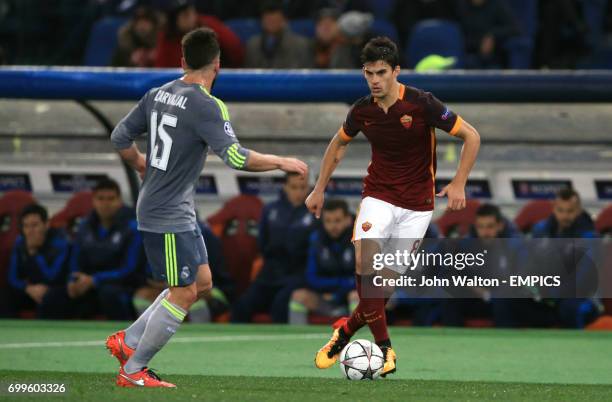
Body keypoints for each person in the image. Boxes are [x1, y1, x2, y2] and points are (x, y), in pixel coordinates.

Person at [107, 27, 307, 388]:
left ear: (182, 61)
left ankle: (128, 341)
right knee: (182, 291)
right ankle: (134, 369)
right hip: (165, 214)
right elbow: (234, 156)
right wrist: (280, 160)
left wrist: (140, 163)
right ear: (217, 64)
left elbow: (119, 136)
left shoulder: (158, 93)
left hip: (174, 209)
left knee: (201, 282)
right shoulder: (206, 104)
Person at [306, 36, 480, 376]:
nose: (374, 80)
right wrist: (319, 188)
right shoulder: (362, 111)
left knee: (381, 288)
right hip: (379, 196)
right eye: (368, 73)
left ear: (396, 71)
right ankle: (386, 350)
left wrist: (459, 182)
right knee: (363, 258)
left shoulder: (422, 104)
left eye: (381, 72)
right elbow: (338, 145)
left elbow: (471, 136)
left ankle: (345, 330)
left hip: (418, 205)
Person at [230, 172, 314, 323]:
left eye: (302, 188)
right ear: (285, 187)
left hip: (297, 274)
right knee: (242, 305)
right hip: (270, 273)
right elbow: (262, 243)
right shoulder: (270, 210)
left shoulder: (314, 212)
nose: (299, 192)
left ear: (308, 188)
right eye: (294, 187)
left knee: (280, 305)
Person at [68, 178, 145, 321]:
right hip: (90, 284)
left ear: (120, 201)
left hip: (124, 285)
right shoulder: (85, 226)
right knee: (60, 295)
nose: (106, 204)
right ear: (93, 201)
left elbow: (130, 269)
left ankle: (123, 337)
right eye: (101, 199)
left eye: (111, 199)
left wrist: (95, 279)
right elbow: (76, 259)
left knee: (109, 293)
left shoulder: (133, 227)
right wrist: (73, 280)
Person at [531, 188, 601, 328]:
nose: (565, 216)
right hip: (546, 294)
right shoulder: (540, 230)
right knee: (508, 299)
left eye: (570, 211)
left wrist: (551, 293)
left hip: (580, 298)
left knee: (570, 306)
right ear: (554, 209)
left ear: (579, 210)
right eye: (561, 210)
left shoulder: (588, 237)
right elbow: (531, 266)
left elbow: (583, 281)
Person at [288, 199, 357, 325]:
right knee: (299, 296)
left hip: (350, 299)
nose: (333, 226)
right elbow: (311, 278)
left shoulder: (359, 240)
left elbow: (362, 280)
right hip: (325, 300)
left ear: (348, 220)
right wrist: (339, 286)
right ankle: (298, 338)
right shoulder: (316, 239)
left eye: (337, 220)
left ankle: (361, 340)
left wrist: (338, 293)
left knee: (357, 296)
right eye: (328, 221)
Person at [2, 204, 71, 319]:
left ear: (46, 224)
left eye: (34, 225)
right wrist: (27, 288)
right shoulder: (20, 242)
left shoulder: (61, 243)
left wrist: (35, 254)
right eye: (26, 226)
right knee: (4, 296)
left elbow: (52, 277)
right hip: (30, 289)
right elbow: (12, 277)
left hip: (54, 290)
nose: (30, 231)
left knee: (50, 297)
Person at [154, 0, 243, 68]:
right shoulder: (167, 36)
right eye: (183, 15)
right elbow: (162, 71)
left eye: (189, 12)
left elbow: (236, 51)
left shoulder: (210, 26)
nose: (188, 18)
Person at [244, 0, 313, 68]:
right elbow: (247, 74)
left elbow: (306, 75)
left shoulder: (300, 45)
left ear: (284, 21)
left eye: (274, 20)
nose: (271, 22)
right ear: (262, 21)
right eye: (268, 19)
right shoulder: (253, 45)